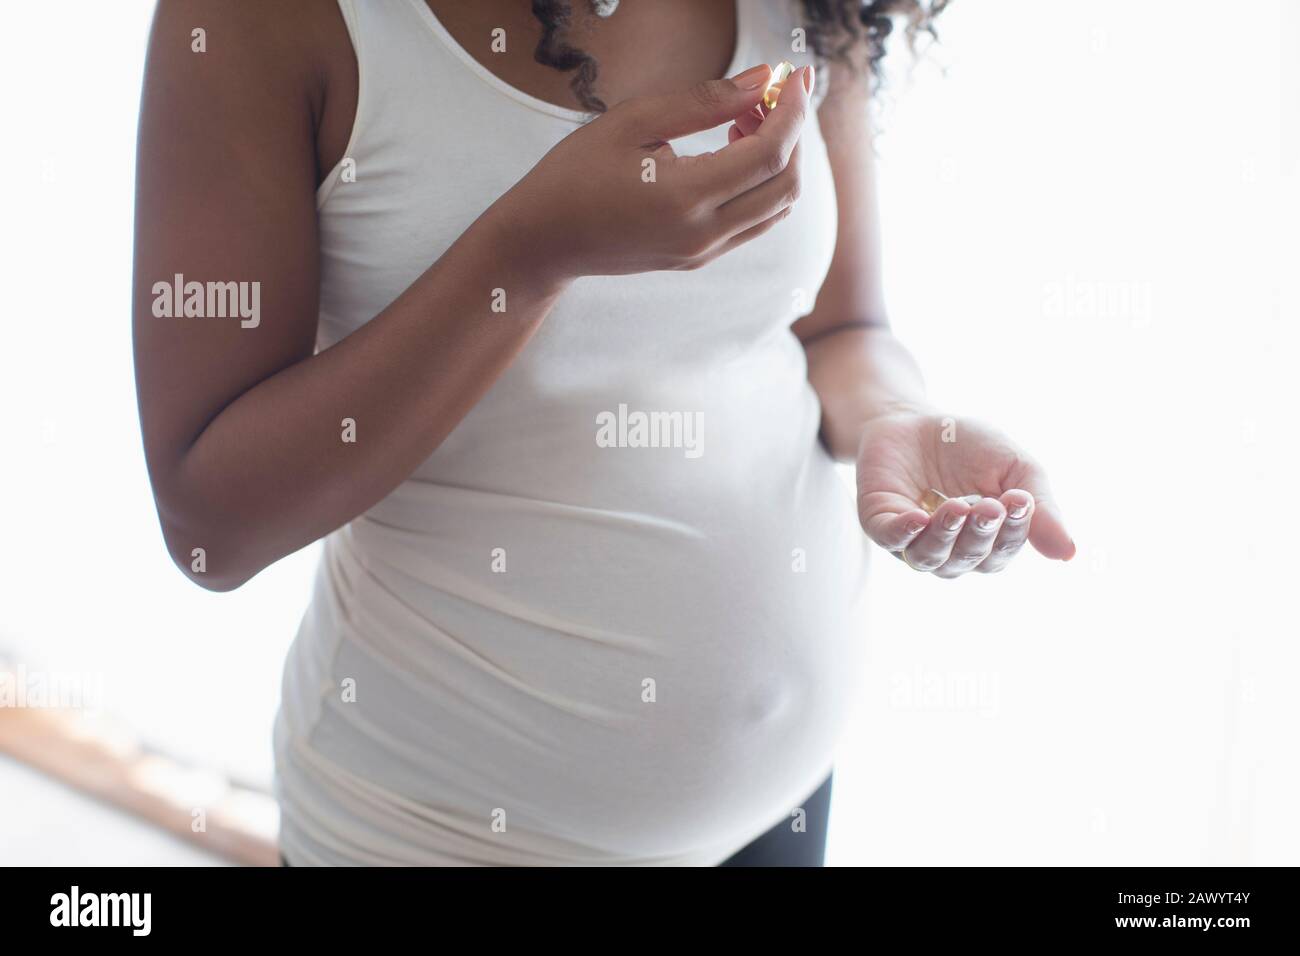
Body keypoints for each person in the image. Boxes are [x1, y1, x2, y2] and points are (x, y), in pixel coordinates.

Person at [133, 0, 1073, 866]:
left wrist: (901, 421)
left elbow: (842, 331)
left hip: (777, 810)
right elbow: (212, 527)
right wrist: (529, 253)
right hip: (441, 836)